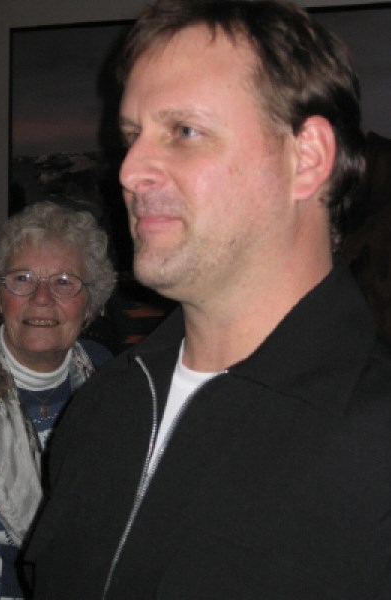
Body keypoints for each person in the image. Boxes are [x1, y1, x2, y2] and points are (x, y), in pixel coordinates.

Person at [23, 1, 391, 598]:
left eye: (184, 132)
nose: (130, 170)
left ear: (307, 158)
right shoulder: (101, 410)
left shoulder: (375, 450)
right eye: (133, 137)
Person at [0, 200, 115, 598]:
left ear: (89, 306)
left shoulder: (110, 381)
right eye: (22, 278)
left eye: (64, 281)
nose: (41, 296)